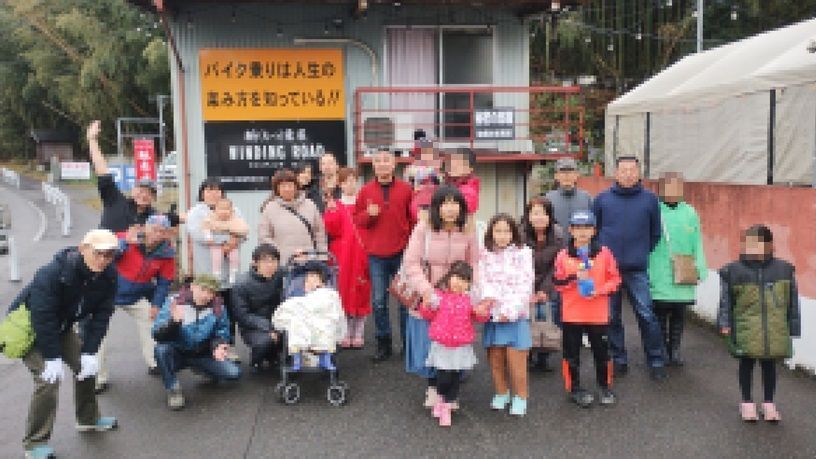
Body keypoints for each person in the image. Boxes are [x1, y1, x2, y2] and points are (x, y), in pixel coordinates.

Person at [8, 229, 120, 459]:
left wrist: (90, 351)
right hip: (29, 327)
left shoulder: (108, 275)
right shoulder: (52, 273)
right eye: (98, 253)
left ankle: (87, 418)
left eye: (109, 255)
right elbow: (42, 316)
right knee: (48, 380)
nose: (103, 259)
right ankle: (34, 443)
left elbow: (102, 314)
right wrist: (52, 357)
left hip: (60, 326)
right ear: (83, 249)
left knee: (86, 367)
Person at [403, 185, 478, 410]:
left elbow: (474, 262)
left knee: (453, 342)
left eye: (455, 203)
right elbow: (411, 263)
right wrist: (426, 291)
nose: (450, 208)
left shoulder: (468, 229)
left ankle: (450, 391)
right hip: (429, 295)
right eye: (445, 203)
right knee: (428, 344)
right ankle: (433, 387)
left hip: (456, 297)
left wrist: (471, 291)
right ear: (436, 207)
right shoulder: (423, 227)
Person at [592, 156, 666, 380]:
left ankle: (655, 360)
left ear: (639, 173)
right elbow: (594, 231)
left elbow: (655, 233)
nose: (628, 174)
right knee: (612, 316)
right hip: (608, 270)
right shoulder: (602, 199)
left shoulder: (650, 200)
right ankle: (619, 359)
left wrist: (641, 252)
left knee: (646, 314)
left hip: (637, 268)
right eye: (623, 170)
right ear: (615, 173)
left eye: (632, 170)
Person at [718, 225, 800, 423]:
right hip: (745, 328)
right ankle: (747, 402)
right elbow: (726, 301)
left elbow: (792, 302)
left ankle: (768, 403)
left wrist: (793, 328)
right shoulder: (733, 271)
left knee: (769, 365)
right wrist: (724, 323)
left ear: (770, 245)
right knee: (746, 363)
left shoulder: (784, 270)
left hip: (774, 328)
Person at [95, 214, 175, 394]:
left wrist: (156, 304)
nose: (157, 234)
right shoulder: (125, 237)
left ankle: (155, 362)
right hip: (108, 293)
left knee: (152, 320)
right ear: (145, 227)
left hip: (136, 295)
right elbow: (104, 257)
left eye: (162, 231)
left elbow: (164, 282)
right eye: (154, 229)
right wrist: (124, 243)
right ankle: (98, 376)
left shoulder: (167, 253)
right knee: (97, 332)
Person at [554, 210, 621, 408]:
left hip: (598, 314)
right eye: (578, 228)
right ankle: (574, 389)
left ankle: (605, 387)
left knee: (602, 353)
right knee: (571, 354)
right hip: (572, 314)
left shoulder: (604, 253)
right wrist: (574, 277)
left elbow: (615, 280)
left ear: (594, 230)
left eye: (587, 228)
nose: (582, 232)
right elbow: (557, 283)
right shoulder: (563, 255)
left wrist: (599, 291)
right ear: (570, 230)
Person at [353, 149, 415, 361]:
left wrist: (412, 248)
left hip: (402, 253)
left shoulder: (406, 189)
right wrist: (368, 215)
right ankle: (384, 344)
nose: (382, 164)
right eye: (378, 161)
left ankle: (408, 345)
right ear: (373, 165)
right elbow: (357, 220)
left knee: (405, 302)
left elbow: (413, 220)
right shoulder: (365, 191)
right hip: (376, 255)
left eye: (386, 160)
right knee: (379, 302)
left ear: (394, 164)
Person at [152, 275, 242, 411]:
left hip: (202, 353)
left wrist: (218, 346)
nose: (206, 295)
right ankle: (173, 389)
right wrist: (173, 323)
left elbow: (222, 332)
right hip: (178, 352)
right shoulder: (174, 303)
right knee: (161, 350)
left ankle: (200, 368)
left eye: (211, 292)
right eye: (203, 289)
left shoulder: (218, 308)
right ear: (193, 287)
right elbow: (157, 334)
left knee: (234, 373)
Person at [648, 172, 708, 367]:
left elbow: (697, 241)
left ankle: (674, 350)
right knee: (659, 315)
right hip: (658, 270)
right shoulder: (654, 210)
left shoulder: (690, 212)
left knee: (679, 315)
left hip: (683, 271)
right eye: (668, 187)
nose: (673, 191)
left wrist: (700, 267)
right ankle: (661, 350)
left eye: (677, 186)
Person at [419, 261, 489, 427]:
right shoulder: (439, 296)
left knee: (456, 377)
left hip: (460, 346)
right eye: (456, 277)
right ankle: (441, 398)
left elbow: (480, 317)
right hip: (442, 345)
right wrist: (425, 305)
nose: (459, 283)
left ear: (469, 284)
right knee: (443, 377)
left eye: (464, 280)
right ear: (449, 277)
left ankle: (447, 406)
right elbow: (428, 315)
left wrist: (482, 312)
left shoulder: (469, 300)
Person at [479, 214, 534, 416]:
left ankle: (520, 396)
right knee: (496, 357)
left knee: (516, 359)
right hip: (493, 315)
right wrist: (490, 306)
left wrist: (509, 311)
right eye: (498, 231)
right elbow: (481, 281)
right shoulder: (484, 253)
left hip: (515, 315)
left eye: (507, 231)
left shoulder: (524, 252)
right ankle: (501, 392)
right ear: (491, 232)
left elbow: (525, 284)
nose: (502, 235)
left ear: (514, 233)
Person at [87, 120, 172, 232]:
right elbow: (103, 172)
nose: (144, 195)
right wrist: (92, 140)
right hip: (105, 242)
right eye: (141, 190)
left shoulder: (154, 218)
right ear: (133, 190)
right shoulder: (115, 200)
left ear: (154, 198)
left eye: (150, 193)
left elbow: (173, 219)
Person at [323, 167, 371, 348]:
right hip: (342, 254)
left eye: (354, 180)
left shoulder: (364, 204)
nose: (351, 185)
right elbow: (332, 230)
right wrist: (331, 212)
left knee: (362, 290)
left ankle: (358, 331)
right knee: (342, 291)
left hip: (362, 252)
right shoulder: (336, 205)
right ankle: (345, 330)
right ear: (340, 184)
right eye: (346, 181)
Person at [272, 261, 345, 371]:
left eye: (315, 277)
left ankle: (325, 357)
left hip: (322, 318)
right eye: (309, 277)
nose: (311, 279)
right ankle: (297, 358)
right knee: (295, 324)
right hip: (303, 319)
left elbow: (333, 307)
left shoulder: (328, 293)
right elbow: (293, 305)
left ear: (322, 281)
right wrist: (307, 292)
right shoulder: (299, 293)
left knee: (328, 324)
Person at [521, 196, 566, 371]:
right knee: (526, 319)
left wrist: (545, 290)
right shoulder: (519, 235)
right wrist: (530, 290)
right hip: (525, 284)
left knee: (547, 316)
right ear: (528, 216)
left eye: (543, 213)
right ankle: (526, 354)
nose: (539, 217)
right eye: (535, 213)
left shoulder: (558, 235)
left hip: (550, 283)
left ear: (550, 216)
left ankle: (543, 356)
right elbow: (517, 266)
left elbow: (558, 265)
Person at [231, 244, 285, 372]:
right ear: (255, 263)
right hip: (253, 327)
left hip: (277, 322)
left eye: (273, 261)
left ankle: (273, 355)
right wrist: (269, 327)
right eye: (265, 261)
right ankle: (256, 360)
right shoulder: (241, 284)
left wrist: (301, 259)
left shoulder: (280, 274)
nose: (270, 265)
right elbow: (242, 316)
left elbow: (299, 270)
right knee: (265, 341)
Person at [258, 169, 328, 265]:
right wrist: (279, 254)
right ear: (277, 189)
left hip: (309, 261)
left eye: (290, 185)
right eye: (283, 186)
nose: (287, 189)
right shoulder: (269, 208)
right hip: (282, 263)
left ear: (296, 186)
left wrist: (322, 257)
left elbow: (320, 233)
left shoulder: (310, 205)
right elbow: (264, 237)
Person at [186, 178, 245, 279]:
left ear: (222, 193)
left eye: (217, 191)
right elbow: (199, 234)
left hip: (230, 266)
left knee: (231, 283)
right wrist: (227, 240)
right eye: (209, 191)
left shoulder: (234, 210)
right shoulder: (195, 213)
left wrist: (236, 240)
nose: (213, 194)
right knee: (209, 285)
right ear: (202, 194)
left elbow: (243, 230)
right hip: (206, 266)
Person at [202, 197, 249, 284]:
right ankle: (216, 275)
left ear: (231, 210)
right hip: (216, 244)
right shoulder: (211, 218)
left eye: (227, 209)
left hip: (232, 243)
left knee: (234, 257)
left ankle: (233, 273)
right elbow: (206, 227)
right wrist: (208, 237)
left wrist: (235, 236)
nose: (224, 212)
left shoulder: (235, 219)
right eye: (221, 209)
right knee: (216, 258)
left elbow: (244, 229)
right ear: (215, 210)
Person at [545, 158, 593, 229]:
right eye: (563, 172)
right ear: (556, 176)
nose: (567, 175)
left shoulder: (586, 198)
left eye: (570, 172)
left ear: (577, 174)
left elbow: (593, 223)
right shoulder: (548, 199)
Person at [404, 140, 442, 222]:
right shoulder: (411, 169)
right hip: (417, 199)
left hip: (433, 200)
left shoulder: (436, 169)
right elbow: (409, 185)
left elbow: (440, 184)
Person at [443, 148, 480, 216]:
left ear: (470, 169)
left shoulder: (469, 191)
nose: (453, 166)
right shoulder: (447, 184)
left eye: (459, 164)